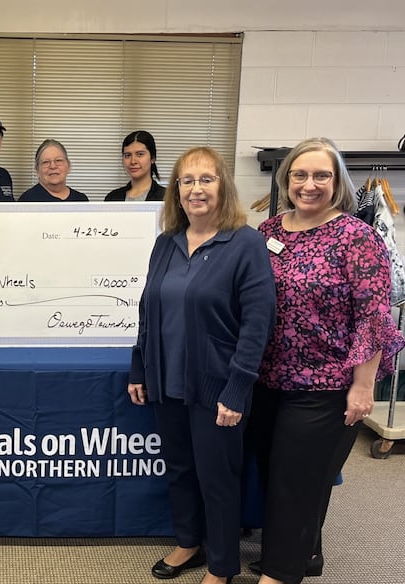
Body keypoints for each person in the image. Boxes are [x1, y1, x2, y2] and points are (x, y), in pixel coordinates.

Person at [252, 138, 405, 584]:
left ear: (338, 182)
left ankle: (279, 573)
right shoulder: (268, 231)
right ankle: (306, 555)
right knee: (277, 475)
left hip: (326, 384)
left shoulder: (357, 237)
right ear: (286, 180)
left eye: (322, 175)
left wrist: (363, 386)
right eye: (300, 174)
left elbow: (373, 318)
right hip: (267, 379)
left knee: (296, 483)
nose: (309, 184)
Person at [127, 147, 276, 584]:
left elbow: (258, 323)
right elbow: (148, 308)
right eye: (187, 180)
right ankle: (189, 541)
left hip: (218, 386)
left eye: (206, 179)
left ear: (223, 186)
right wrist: (139, 366)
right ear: (176, 190)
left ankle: (222, 565)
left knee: (218, 478)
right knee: (179, 469)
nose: (196, 189)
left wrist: (238, 388)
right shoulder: (166, 243)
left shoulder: (246, 243)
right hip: (166, 381)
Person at [18, 139, 88, 202]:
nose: (53, 166)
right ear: (37, 170)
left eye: (58, 160)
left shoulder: (81, 199)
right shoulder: (27, 200)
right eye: (46, 162)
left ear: (68, 166)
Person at [104, 130, 166, 201]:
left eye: (140, 154)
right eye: (128, 155)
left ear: (153, 158)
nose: (133, 161)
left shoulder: (167, 197)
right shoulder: (112, 197)